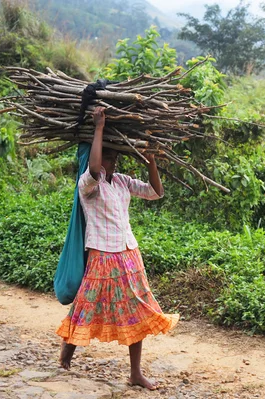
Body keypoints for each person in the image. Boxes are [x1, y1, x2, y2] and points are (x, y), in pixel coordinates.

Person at [56, 106, 179, 390]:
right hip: (101, 255)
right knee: (85, 307)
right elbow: (95, 169)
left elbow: (155, 192)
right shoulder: (88, 185)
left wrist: (151, 161)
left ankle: (136, 373)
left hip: (128, 253)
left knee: (137, 310)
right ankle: (65, 357)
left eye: (113, 158)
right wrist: (98, 128)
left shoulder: (122, 182)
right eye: (106, 157)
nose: (110, 163)